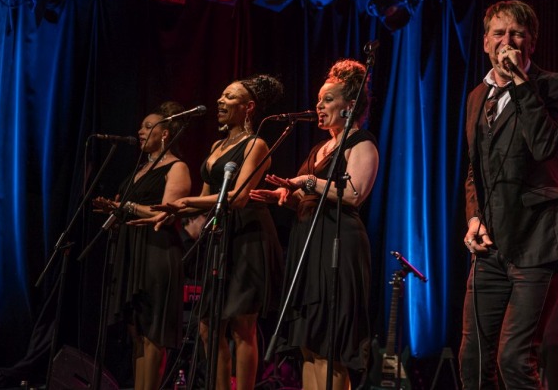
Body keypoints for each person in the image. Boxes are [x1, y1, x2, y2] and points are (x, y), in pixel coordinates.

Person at [132, 75, 285, 390]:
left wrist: (186, 202)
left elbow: (238, 197)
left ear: (248, 107)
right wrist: (168, 212)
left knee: (242, 326)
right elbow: (205, 200)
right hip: (221, 237)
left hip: (248, 236)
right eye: (221, 95)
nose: (220, 100)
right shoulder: (217, 146)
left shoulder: (256, 145)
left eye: (229, 97)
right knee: (208, 326)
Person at [459, 0, 558, 389]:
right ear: (485, 42)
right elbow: (475, 169)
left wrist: (521, 84)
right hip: (492, 245)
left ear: (532, 42)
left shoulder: (555, 88)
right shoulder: (477, 96)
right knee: (474, 358)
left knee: (514, 358)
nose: (506, 41)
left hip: (539, 243)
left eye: (517, 34)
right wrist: (474, 219)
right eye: (498, 33)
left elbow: (545, 147)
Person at [250, 59, 379, 390]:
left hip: (339, 245)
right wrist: (284, 196)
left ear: (350, 106)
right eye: (319, 100)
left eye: (328, 100)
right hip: (309, 244)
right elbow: (309, 196)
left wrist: (307, 182)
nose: (319, 106)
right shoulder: (320, 148)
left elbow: (353, 194)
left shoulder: (361, 142)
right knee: (307, 346)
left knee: (329, 345)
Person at [92, 101, 193, 390]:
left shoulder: (177, 167)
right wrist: (113, 209)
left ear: (165, 133)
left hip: (157, 250)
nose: (140, 131)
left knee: (153, 333)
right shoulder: (140, 169)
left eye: (148, 127)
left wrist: (126, 206)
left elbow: (165, 212)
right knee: (136, 331)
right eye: (141, 126)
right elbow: (128, 207)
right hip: (132, 252)